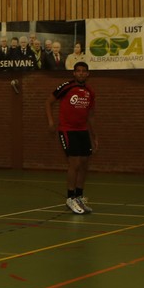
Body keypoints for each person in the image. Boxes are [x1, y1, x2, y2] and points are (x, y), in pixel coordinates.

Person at [45, 61, 97, 214]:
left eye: (84, 71)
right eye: (78, 71)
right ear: (74, 73)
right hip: (67, 130)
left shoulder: (90, 92)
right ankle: (70, 198)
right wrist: (51, 121)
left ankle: (79, 196)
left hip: (83, 130)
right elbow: (48, 102)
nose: (81, 73)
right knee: (74, 163)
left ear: (87, 74)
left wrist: (94, 135)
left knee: (84, 163)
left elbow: (91, 116)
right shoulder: (66, 87)